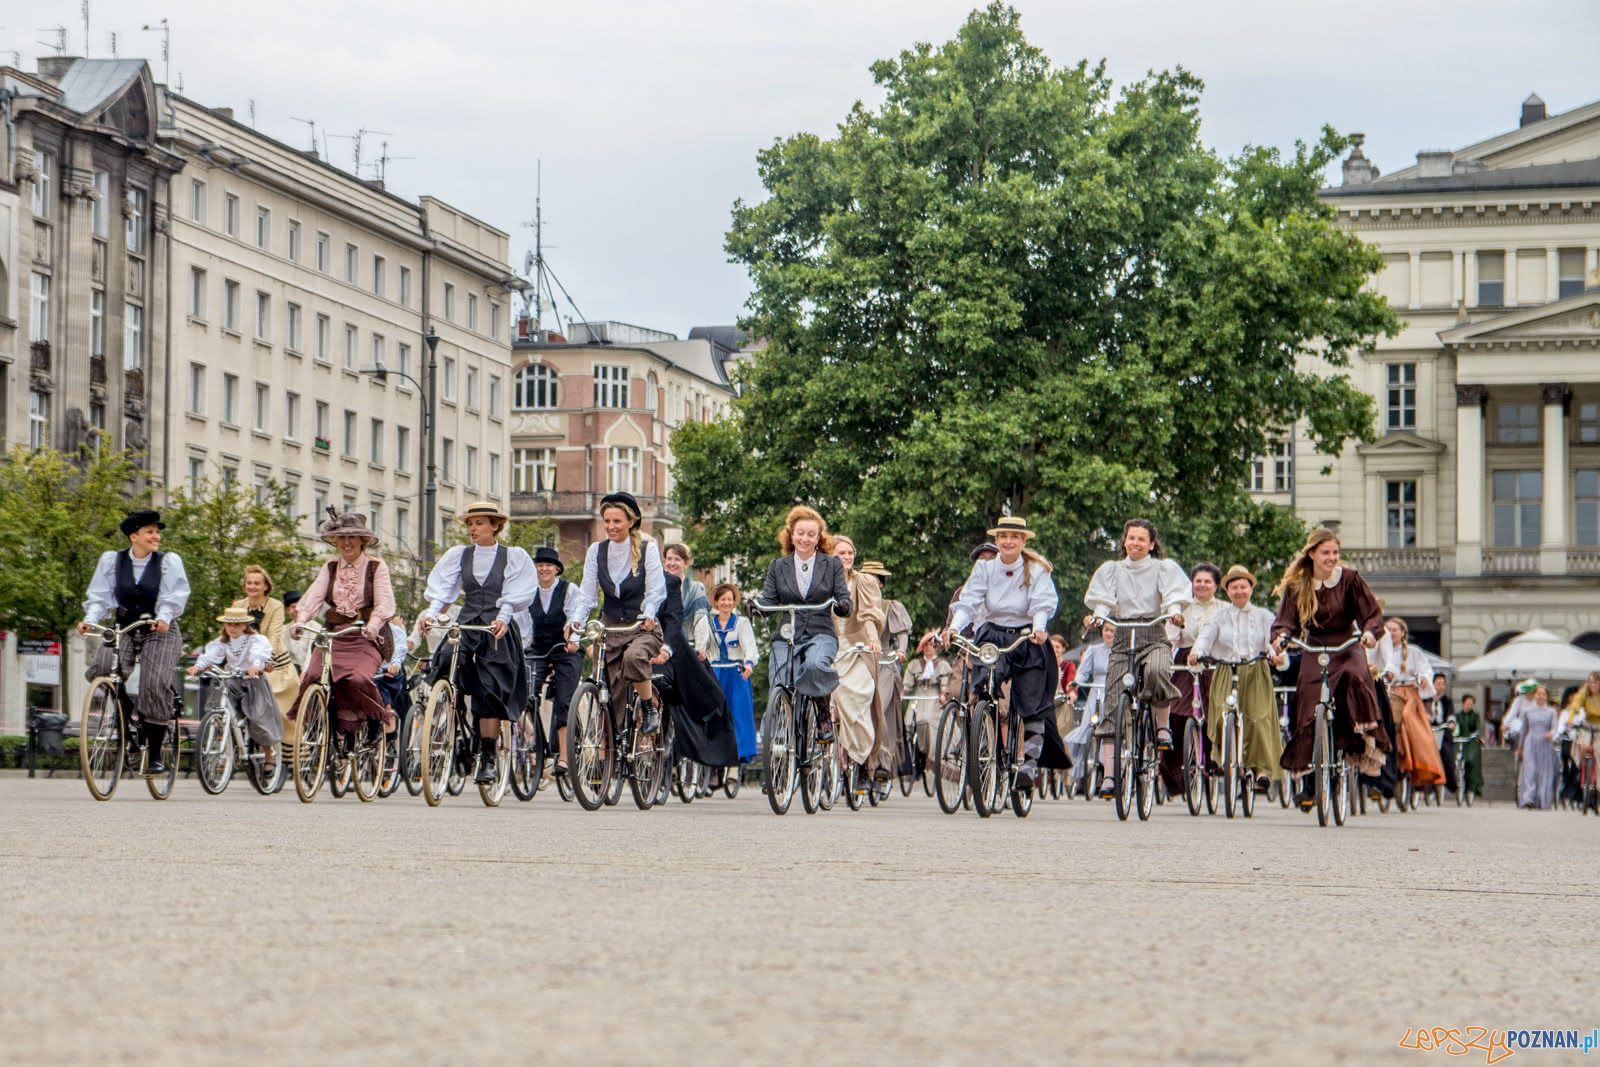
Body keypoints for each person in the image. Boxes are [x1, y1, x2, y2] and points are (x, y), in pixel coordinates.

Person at [1269, 527, 1389, 809]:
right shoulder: (1298, 586)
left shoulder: (1349, 579)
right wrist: (1282, 638)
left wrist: (1370, 633)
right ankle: (1314, 763)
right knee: (1309, 698)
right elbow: (1286, 620)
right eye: (1326, 553)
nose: (1332, 558)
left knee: (1357, 677)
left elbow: (1371, 614)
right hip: (1316, 645)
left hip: (1347, 643)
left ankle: (1357, 733)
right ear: (1311, 554)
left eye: (1335, 552)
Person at [417, 502, 535, 783]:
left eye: (479, 523)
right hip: (468, 622)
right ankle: (451, 713)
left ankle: (489, 756)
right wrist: (431, 614)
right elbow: (445, 591)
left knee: (489, 689)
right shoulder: (460, 555)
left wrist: (504, 617)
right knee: (445, 659)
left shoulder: (512, 556)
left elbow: (515, 592)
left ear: (495, 526)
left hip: (496, 628)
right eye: (470, 523)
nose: (473, 528)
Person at [947, 515, 1060, 794]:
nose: (1008, 541)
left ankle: (1029, 765)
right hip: (993, 635)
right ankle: (985, 736)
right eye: (1003, 536)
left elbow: (1042, 603)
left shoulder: (1036, 568)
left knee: (1032, 699)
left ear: (1023, 541)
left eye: (1014, 537)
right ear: (997, 540)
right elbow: (969, 601)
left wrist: (1039, 628)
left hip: (1027, 635)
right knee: (984, 685)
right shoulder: (985, 569)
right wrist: (954, 628)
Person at [79, 509, 191, 776]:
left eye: (157, 531)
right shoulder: (112, 561)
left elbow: (174, 595)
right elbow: (100, 596)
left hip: (159, 629)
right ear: (134, 536)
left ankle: (154, 754)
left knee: (153, 684)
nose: (157, 536)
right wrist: (90, 619)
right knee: (102, 670)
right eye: (150, 532)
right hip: (125, 626)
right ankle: (127, 719)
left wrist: (163, 617)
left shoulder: (168, 562)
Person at [1083, 518, 1191, 797]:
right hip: (1122, 633)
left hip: (1153, 631)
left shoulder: (1162, 568)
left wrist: (1175, 611)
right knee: (1112, 698)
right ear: (1124, 541)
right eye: (1131, 538)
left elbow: (1173, 594)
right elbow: (1104, 601)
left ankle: (1162, 727)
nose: (1135, 543)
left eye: (1141, 539)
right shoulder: (1113, 569)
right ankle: (1109, 776)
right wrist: (1098, 617)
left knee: (1157, 670)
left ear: (1152, 544)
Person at [289, 510, 397, 749]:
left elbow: (385, 603)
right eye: (341, 538)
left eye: (352, 537)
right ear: (335, 541)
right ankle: (321, 725)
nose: (346, 543)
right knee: (313, 676)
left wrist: (373, 625)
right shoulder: (329, 567)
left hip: (367, 636)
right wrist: (301, 621)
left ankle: (372, 718)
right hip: (334, 635)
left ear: (363, 541)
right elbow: (314, 597)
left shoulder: (376, 567)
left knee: (356, 679)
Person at [564, 491, 667, 737]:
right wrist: (575, 624)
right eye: (607, 521)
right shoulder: (596, 551)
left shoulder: (647, 549)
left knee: (633, 658)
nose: (610, 526)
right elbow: (587, 596)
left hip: (641, 626)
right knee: (609, 691)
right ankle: (610, 753)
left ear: (631, 521)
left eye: (617, 521)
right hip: (609, 627)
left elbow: (656, 590)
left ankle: (647, 705)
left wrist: (650, 613)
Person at [755, 505, 852, 744]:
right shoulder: (778, 566)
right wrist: (757, 607)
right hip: (788, 632)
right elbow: (768, 600)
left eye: (811, 534)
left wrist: (842, 604)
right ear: (791, 534)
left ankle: (822, 715)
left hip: (821, 632)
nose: (805, 538)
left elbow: (843, 595)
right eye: (800, 533)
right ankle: (781, 725)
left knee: (815, 666)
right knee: (779, 676)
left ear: (819, 538)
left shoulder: (832, 565)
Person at [1191, 565, 1286, 788]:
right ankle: (1229, 756)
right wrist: (1196, 653)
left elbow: (1274, 641)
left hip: (1256, 670)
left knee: (1259, 718)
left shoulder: (1264, 615)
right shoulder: (1218, 616)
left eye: (1243, 586)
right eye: (1234, 587)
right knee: (1222, 714)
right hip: (1226, 669)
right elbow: (1205, 637)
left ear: (1251, 589)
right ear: (1227, 591)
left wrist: (1277, 656)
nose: (1239, 591)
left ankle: (1260, 768)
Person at [188, 604, 283, 775]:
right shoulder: (222, 642)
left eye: (237, 624)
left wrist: (255, 666)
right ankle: (223, 747)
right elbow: (210, 655)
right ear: (225, 625)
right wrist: (198, 666)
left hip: (253, 681)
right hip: (232, 680)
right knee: (218, 706)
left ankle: (269, 755)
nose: (233, 628)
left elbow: (258, 653)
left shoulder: (255, 640)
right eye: (229, 624)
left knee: (259, 717)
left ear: (245, 625)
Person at [1163, 562, 1224, 797]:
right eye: (1198, 581)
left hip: (1214, 663)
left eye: (1207, 581)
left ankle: (1213, 759)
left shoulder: (1224, 609)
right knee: (1178, 713)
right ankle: (1175, 774)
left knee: (1213, 712)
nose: (1202, 585)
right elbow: (1171, 639)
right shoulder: (1182, 608)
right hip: (1184, 662)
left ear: (1216, 585)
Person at [829, 536, 885, 785]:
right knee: (829, 706)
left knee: (860, 700)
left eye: (850, 553)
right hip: (830, 647)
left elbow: (870, 615)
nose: (847, 557)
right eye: (841, 553)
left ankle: (863, 761)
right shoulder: (822, 580)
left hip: (858, 647)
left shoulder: (864, 582)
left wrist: (872, 639)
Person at [524, 545, 581, 777]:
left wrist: (574, 639)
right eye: (540, 565)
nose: (544, 569)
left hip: (565, 648)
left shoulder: (569, 590)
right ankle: (534, 743)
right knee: (526, 694)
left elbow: (576, 617)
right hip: (537, 648)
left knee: (564, 700)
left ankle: (564, 758)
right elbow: (523, 626)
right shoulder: (528, 592)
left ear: (557, 569)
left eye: (549, 565)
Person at [695, 582, 760, 775]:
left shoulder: (741, 623)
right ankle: (713, 761)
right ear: (716, 602)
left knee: (738, 716)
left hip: (736, 672)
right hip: (714, 672)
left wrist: (749, 663)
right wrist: (700, 654)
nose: (726, 603)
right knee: (713, 716)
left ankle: (734, 764)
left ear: (734, 603)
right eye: (722, 599)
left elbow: (750, 647)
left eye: (729, 600)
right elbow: (702, 645)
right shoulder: (708, 623)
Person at [1380, 618, 1446, 794]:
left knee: (1406, 717)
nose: (1391, 633)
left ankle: (1414, 760)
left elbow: (1425, 669)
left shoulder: (1414, 652)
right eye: (1388, 630)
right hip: (1386, 692)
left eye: (1395, 629)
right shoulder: (1379, 650)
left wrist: (1423, 678)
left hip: (1408, 692)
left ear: (1403, 633)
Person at [861, 560, 911, 786]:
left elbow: (902, 633)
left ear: (880, 584)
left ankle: (883, 761)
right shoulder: (852, 604)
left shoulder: (890, 606)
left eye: (874, 580)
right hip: (858, 660)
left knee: (878, 709)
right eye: (865, 579)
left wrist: (901, 649)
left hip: (883, 662)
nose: (870, 583)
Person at [239, 564, 298, 721]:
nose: (252, 586)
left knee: (280, 715)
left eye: (257, 583)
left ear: (266, 586)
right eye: (249, 583)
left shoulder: (276, 606)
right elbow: (229, 633)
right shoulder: (238, 606)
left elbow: (274, 635)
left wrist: (264, 661)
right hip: (246, 663)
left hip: (275, 666)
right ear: (244, 585)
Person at [1067, 621, 1114, 795]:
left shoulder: (1121, 651)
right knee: (1085, 730)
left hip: (1113, 693)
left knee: (1113, 731)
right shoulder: (1094, 650)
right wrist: (1076, 683)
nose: (1109, 634)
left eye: (1113, 631)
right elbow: (1083, 672)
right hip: (1096, 693)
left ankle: (1110, 772)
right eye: (1107, 630)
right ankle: (1080, 778)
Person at [901, 632, 951, 772]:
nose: (929, 648)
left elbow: (945, 682)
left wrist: (943, 693)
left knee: (929, 720)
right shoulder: (914, 664)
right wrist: (902, 692)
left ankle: (932, 755)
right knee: (908, 721)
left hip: (933, 697)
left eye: (932, 645)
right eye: (926, 645)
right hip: (919, 695)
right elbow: (907, 684)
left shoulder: (942, 665)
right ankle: (912, 754)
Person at [1516, 684, 1559, 809]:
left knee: (1543, 773)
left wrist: (1551, 734)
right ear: (1535, 695)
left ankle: (1541, 799)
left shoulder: (1551, 711)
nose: (1541, 696)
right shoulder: (1527, 711)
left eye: (1543, 694)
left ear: (1546, 697)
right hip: (1530, 742)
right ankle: (1528, 798)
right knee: (1530, 770)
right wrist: (1520, 747)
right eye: (1539, 693)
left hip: (1545, 744)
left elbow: (1555, 728)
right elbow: (1524, 730)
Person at [663, 543, 710, 646]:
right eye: (669, 559)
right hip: (660, 646)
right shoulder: (656, 588)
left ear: (686, 563)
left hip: (686, 645)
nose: (672, 563)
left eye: (677, 559)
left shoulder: (695, 588)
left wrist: (700, 647)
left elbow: (701, 620)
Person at [1455, 693, 1483, 798]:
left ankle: (1471, 788)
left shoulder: (1475, 716)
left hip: (1470, 742)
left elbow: (1477, 728)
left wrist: (1476, 735)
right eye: (1467, 704)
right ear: (1463, 704)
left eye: (1471, 704)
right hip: (1460, 741)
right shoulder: (1458, 716)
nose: (1469, 706)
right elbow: (1455, 729)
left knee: (1472, 762)